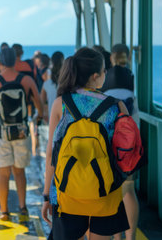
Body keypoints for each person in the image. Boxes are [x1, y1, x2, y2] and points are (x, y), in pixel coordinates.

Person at [42, 47, 129, 240]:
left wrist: (47, 195)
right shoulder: (116, 106)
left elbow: (51, 154)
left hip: (66, 191)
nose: (107, 74)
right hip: (105, 191)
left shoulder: (61, 103)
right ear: (96, 76)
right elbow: (126, 154)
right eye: (105, 71)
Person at [0, 47, 43, 221]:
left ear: (0, 62)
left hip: (2, 133)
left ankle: (4, 211)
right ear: (15, 61)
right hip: (21, 133)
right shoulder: (26, 80)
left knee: (3, 173)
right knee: (19, 172)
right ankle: (23, 207)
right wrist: (36, 117)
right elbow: (39, 105)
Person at [102, 43, 140, 240]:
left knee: (113, 193)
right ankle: (131, 236)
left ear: (110, 59)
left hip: (110, 144)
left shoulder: (105, 81)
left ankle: (116, 238)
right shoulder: (132, 80)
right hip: (131, 143)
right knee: (129, 190)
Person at [12, 43, 40, 155]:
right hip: (27, 100)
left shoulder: (10, 68)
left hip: (12, 101)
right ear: (22, 53)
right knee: (30, 122)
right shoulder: (29, 65)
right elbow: (34, 83)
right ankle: (33, 149)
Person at [40, 51, 64, 123]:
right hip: (67, 121)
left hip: (52, 119)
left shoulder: (47, 84)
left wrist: (44, 114)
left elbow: (42, 102)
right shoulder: (69, 84)